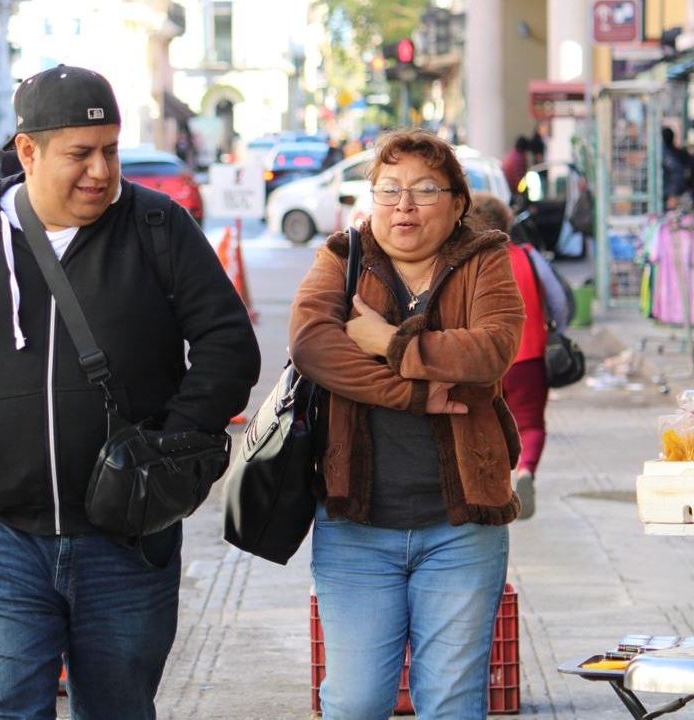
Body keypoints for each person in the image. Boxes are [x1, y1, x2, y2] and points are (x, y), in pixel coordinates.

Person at [0, 64, 260, 719]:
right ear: (28, 151)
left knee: (118, 709)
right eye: (80, 154)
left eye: (110, 150)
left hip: (129, 536)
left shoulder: (158, 227)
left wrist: (171, 440)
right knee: (8, 707)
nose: (101, 171)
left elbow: (228, 345)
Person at [289, 129, 525, 719]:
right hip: (356, 524)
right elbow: (313, 345)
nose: (404, 206)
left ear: (458, 202)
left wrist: (386, 341)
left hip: (462, 525)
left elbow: (491, 350)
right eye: (389, 189)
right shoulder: (342, 257)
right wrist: (415, 393)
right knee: (356, 700)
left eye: (425, 189)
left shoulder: (485, 258)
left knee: (452, 701)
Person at [468, 191, 570, 520]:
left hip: (480, 360)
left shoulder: (466, 263)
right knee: (530, 424)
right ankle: (525, 471)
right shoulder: (527, 256)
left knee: (483, 424)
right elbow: (559, 300)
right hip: (528, 355)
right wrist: (556, 331)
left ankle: (492, 485)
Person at [662, 126, 693, 209]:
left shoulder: (666, 154)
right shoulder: (680, 153)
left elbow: (678, 172)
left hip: (671, 196)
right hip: (672, 194)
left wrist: (672, 194)